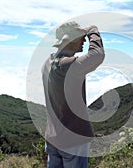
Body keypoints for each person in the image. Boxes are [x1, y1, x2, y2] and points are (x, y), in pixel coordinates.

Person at [41, 21, 105, 168]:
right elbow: (97, 55)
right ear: (69, 39)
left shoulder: (47, 62)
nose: (84, 40)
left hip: (52, 138)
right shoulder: (66, 66)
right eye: (80, 37)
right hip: (73, 140)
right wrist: (93, 30)